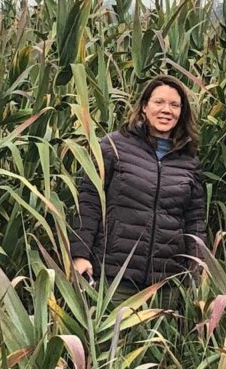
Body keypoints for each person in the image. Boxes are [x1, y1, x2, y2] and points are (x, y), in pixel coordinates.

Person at [68, 75, 206, 306]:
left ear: (182, 113)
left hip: (165, 284)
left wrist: (199, 268)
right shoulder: (113, 146)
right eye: (159, 102)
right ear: (144, 107)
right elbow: (89, 203)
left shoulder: (188, 161)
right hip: (115, 276)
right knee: (111, 341)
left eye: (174, 105)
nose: (166, 110)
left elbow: (195, 221)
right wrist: (79, 255)